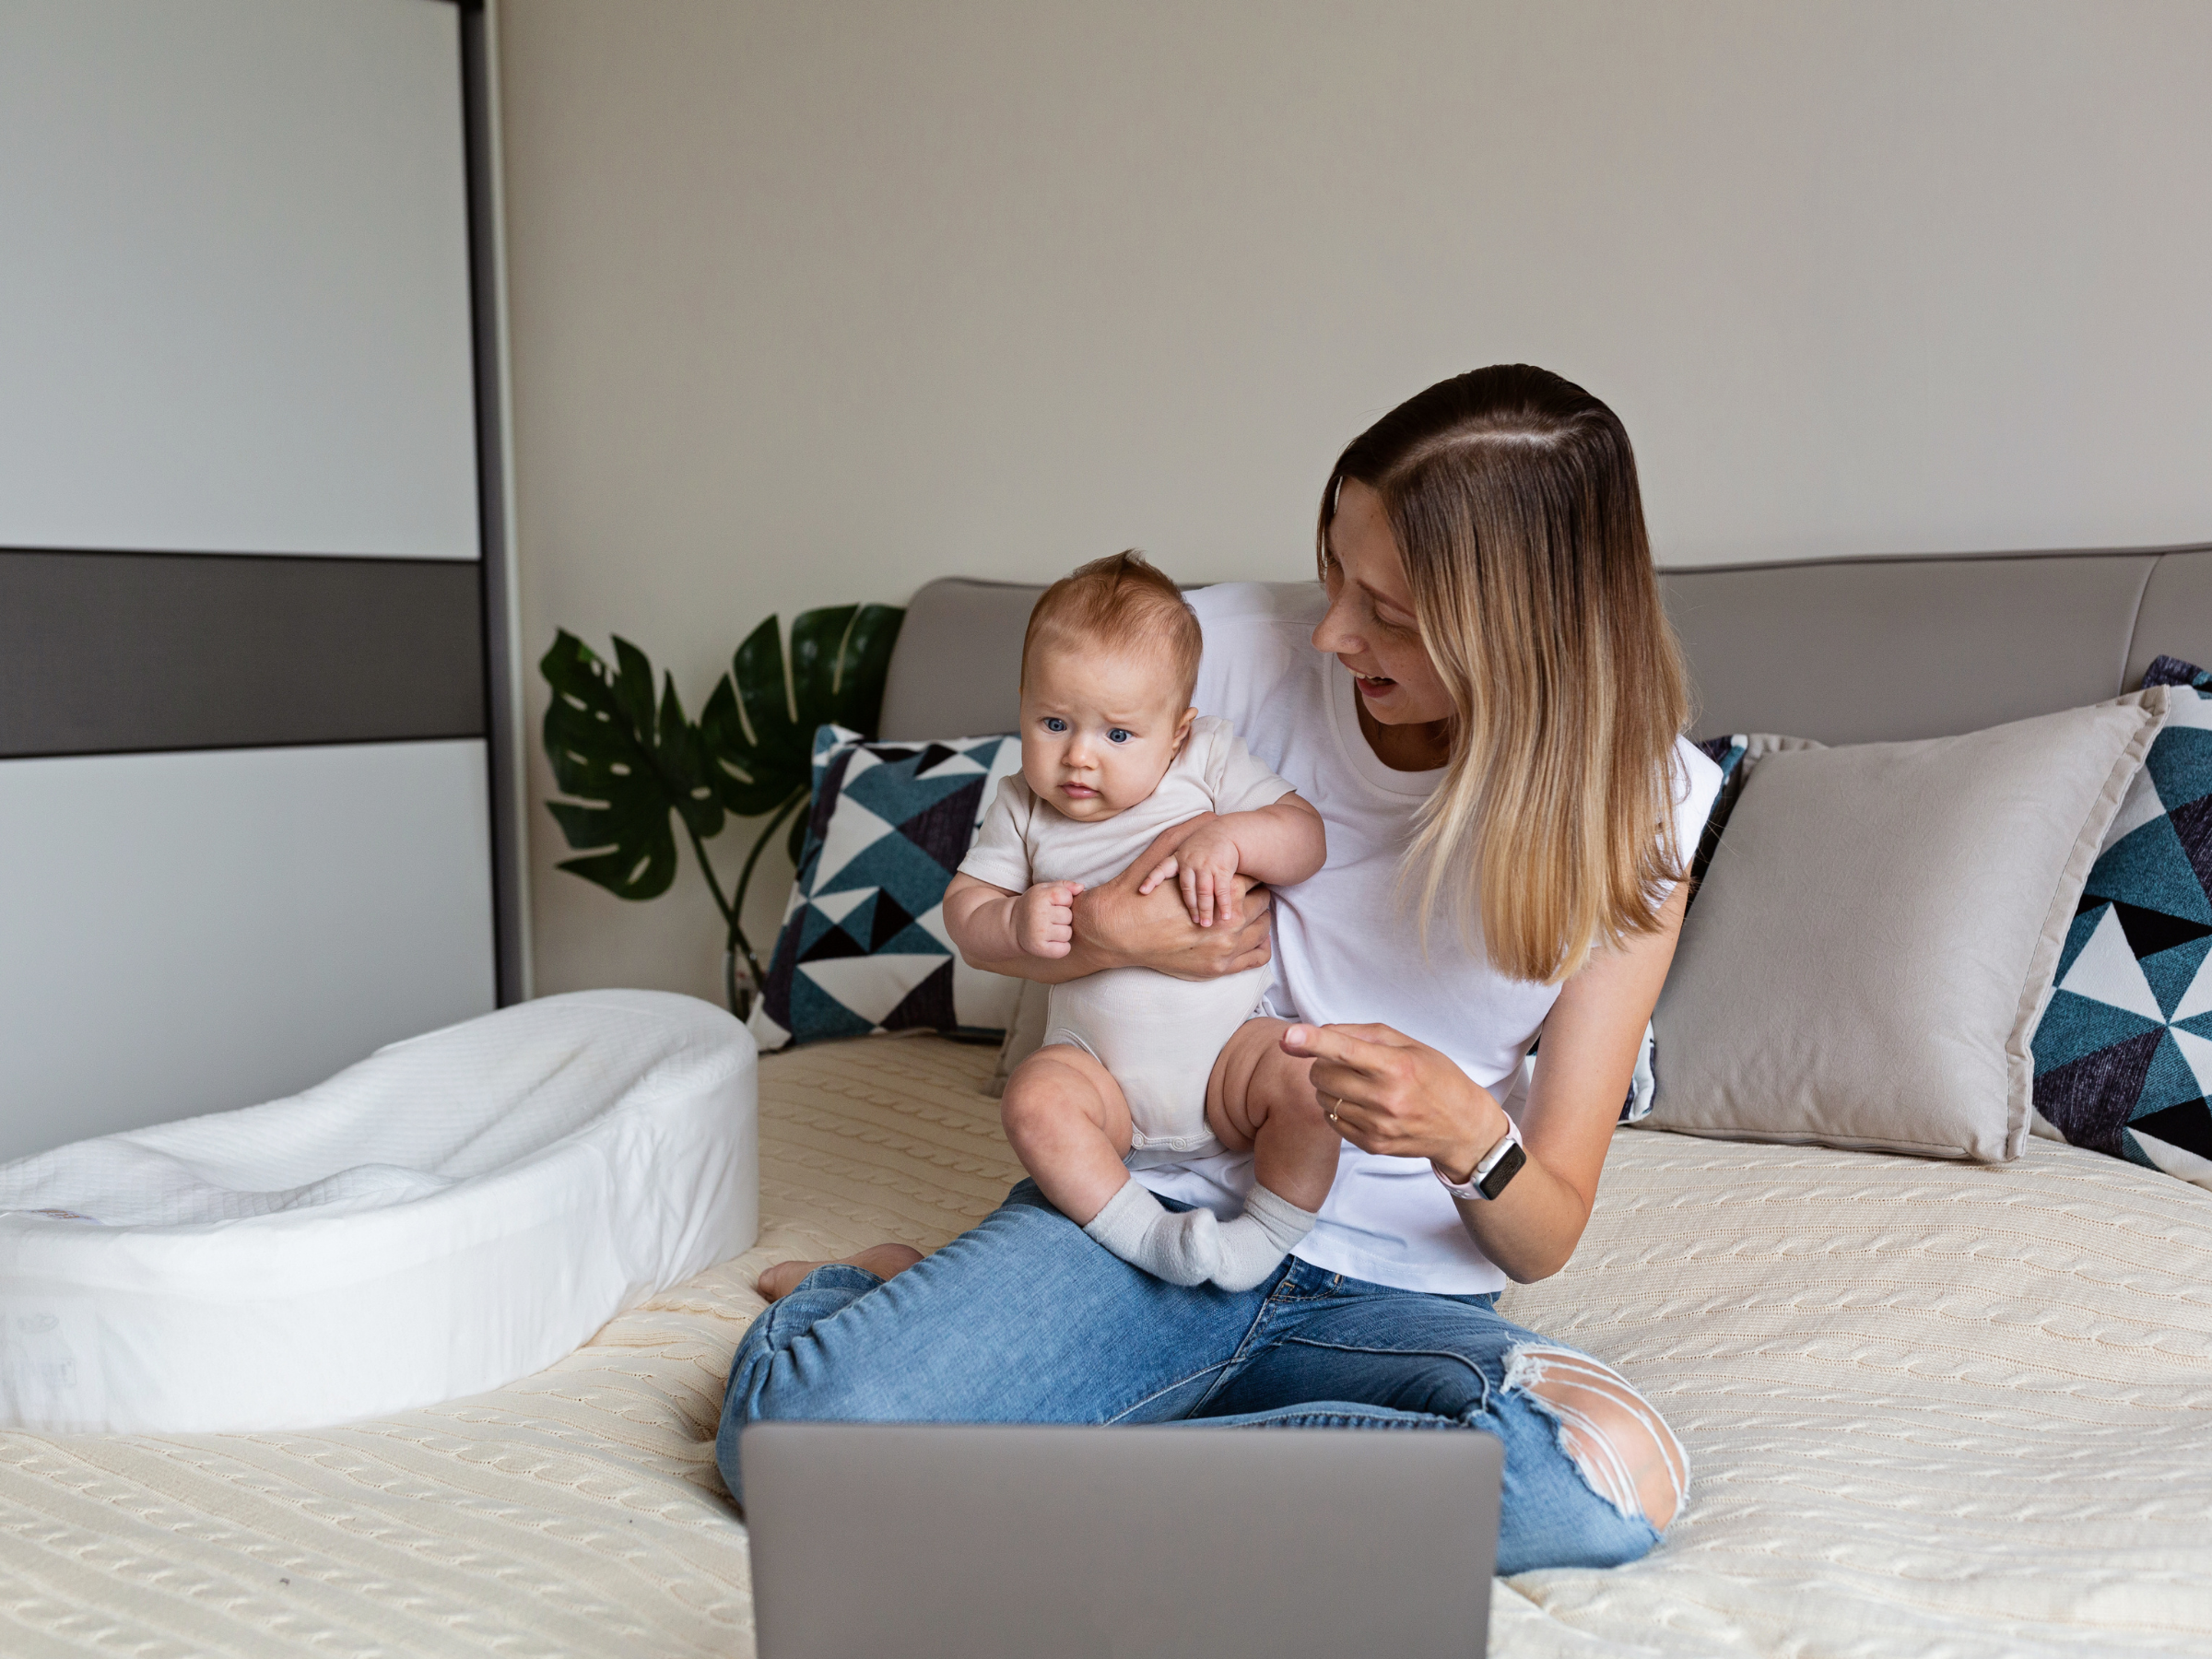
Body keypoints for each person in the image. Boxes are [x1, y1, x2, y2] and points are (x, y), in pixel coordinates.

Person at [719, 365, 1724, 1573]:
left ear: (1521, 631)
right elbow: (1025, 842)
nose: (1333, 632)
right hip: (1153, 1221)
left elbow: (1544, 1229)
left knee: (1604, 1481)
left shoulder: (1644, 818)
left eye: (1391, 612)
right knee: (793, 1440)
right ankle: (1142, 1437)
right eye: (1334, 570)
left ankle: (1058, 1428)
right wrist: (1108, 934)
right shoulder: (1222, 656)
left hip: (1393, 1304)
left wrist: (1468, 1134)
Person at [945, 552, 1335, 1291]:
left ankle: (1263, 1237)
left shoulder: (1209, 762)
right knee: (1034, 1101)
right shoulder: (1022, 807)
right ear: (1023, 703)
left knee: (1311, 1084)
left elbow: (1305, 837)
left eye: (1118, 735)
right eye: (1054, 722)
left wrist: (1232, 837)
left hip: (1229, 1060)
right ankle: (1148, 1237)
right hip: (1099, 1076)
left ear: (1178, 732)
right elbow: (965, 914)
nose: (1079, 758)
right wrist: (1014, 921)